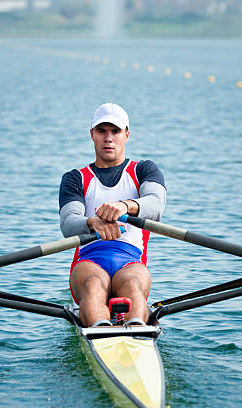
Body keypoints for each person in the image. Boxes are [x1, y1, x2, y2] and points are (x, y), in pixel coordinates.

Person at [59, 103, 166, 327]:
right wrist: (92, 222)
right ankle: (102, 329)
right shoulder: (75, 178)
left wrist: (125, 206)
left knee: (131, 285)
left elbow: (156, 206)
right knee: (94, 285)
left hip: (131, 260)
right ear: (92, 135)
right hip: (89, 260)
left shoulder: (144, 170)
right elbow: (69, 224)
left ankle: (136, 332)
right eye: (102, 131)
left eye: (115, 131)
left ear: (127, 135)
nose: (109, 138)